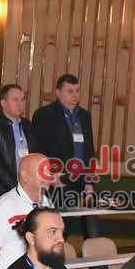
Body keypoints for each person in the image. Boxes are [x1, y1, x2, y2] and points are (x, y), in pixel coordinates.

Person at [31, 74, 95, 204]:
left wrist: (89, 181)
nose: (75, 95)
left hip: (80, 181)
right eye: (70, 91)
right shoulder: (44, 115)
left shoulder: (84, 115)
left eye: (77, 91)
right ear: (58, 93)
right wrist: (51, 176)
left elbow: (89, 150)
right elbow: (39, 151)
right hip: (56, 180)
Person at [0, 84, 37, 207]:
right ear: (3, 103)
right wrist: (16, 186)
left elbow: (35, 154)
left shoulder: (28, 125)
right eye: (15, 100)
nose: (20, 104)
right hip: (2, 190)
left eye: (22, 99)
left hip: (28, 188)